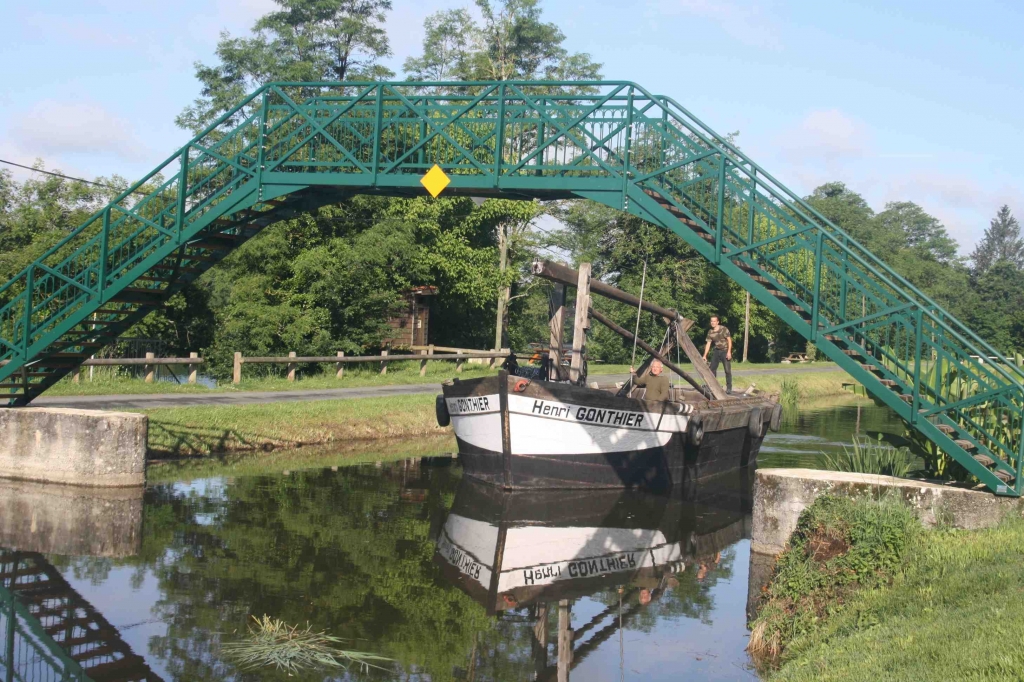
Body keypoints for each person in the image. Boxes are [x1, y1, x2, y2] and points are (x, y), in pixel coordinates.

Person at [702, 315, 733, 393]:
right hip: (716, 351)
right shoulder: (710, 332)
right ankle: (712, 387)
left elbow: (729, 341)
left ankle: (729, 388)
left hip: (725, 351)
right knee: (712, 369)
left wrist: (729, 352)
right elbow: (708, 343)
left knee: (727, 370)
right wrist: (705, 355)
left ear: (717, 322)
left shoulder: (724, 329)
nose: (712, 323)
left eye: (714, 321)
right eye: (711, 321)